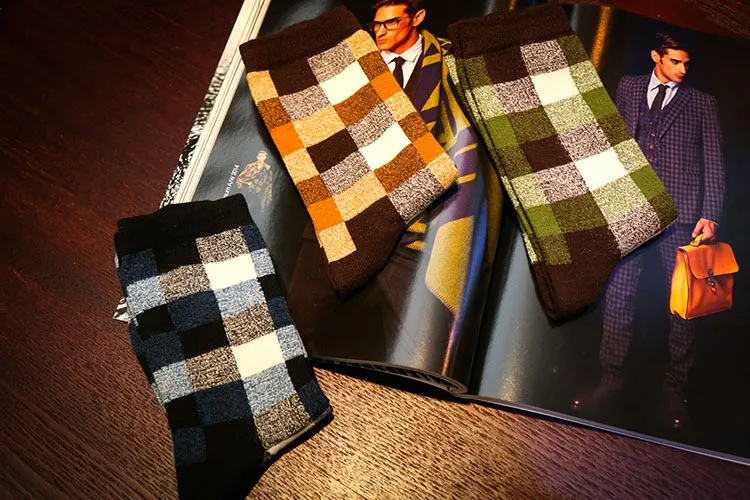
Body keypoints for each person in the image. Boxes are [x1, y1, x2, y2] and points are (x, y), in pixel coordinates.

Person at [575, 32, 725, 430]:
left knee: (683, 304)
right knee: (619, 296)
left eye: (687, 63)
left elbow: (713, 161)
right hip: (632, 209)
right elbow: (613, 141)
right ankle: (610, 381)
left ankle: (675, 389)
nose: (683, 69)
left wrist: (710, 213)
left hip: (680, 215)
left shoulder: (701, 103)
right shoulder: (629, 86)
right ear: (656, 57)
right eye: (675, 61)